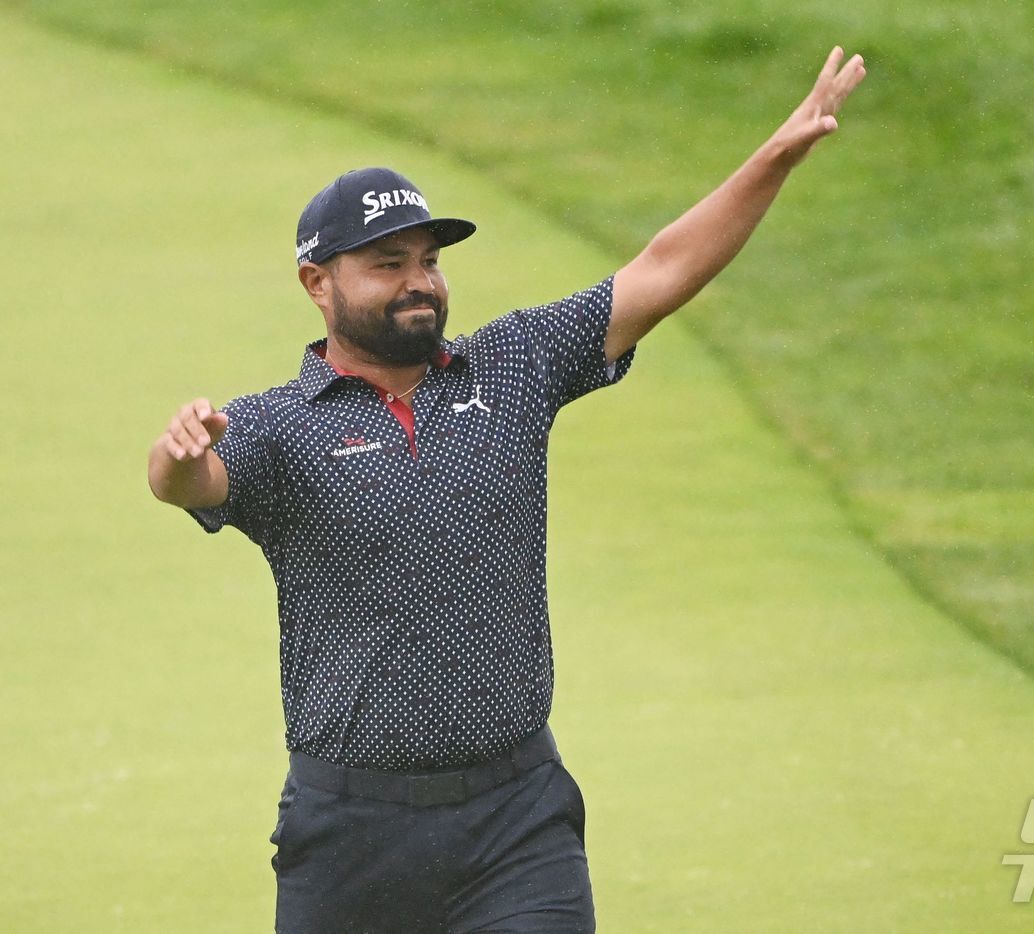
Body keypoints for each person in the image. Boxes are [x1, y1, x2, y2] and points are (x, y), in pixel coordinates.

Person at [148, 47, 865, 933]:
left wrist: (777, 157)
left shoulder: (513, 364)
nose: (419, 282)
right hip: (350, 837)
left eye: (428, 260)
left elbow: (662, 270)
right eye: (387, 264)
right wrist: (180, 454)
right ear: (317, 283)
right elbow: (190, 483)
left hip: (517, 819)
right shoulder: (276, 425)